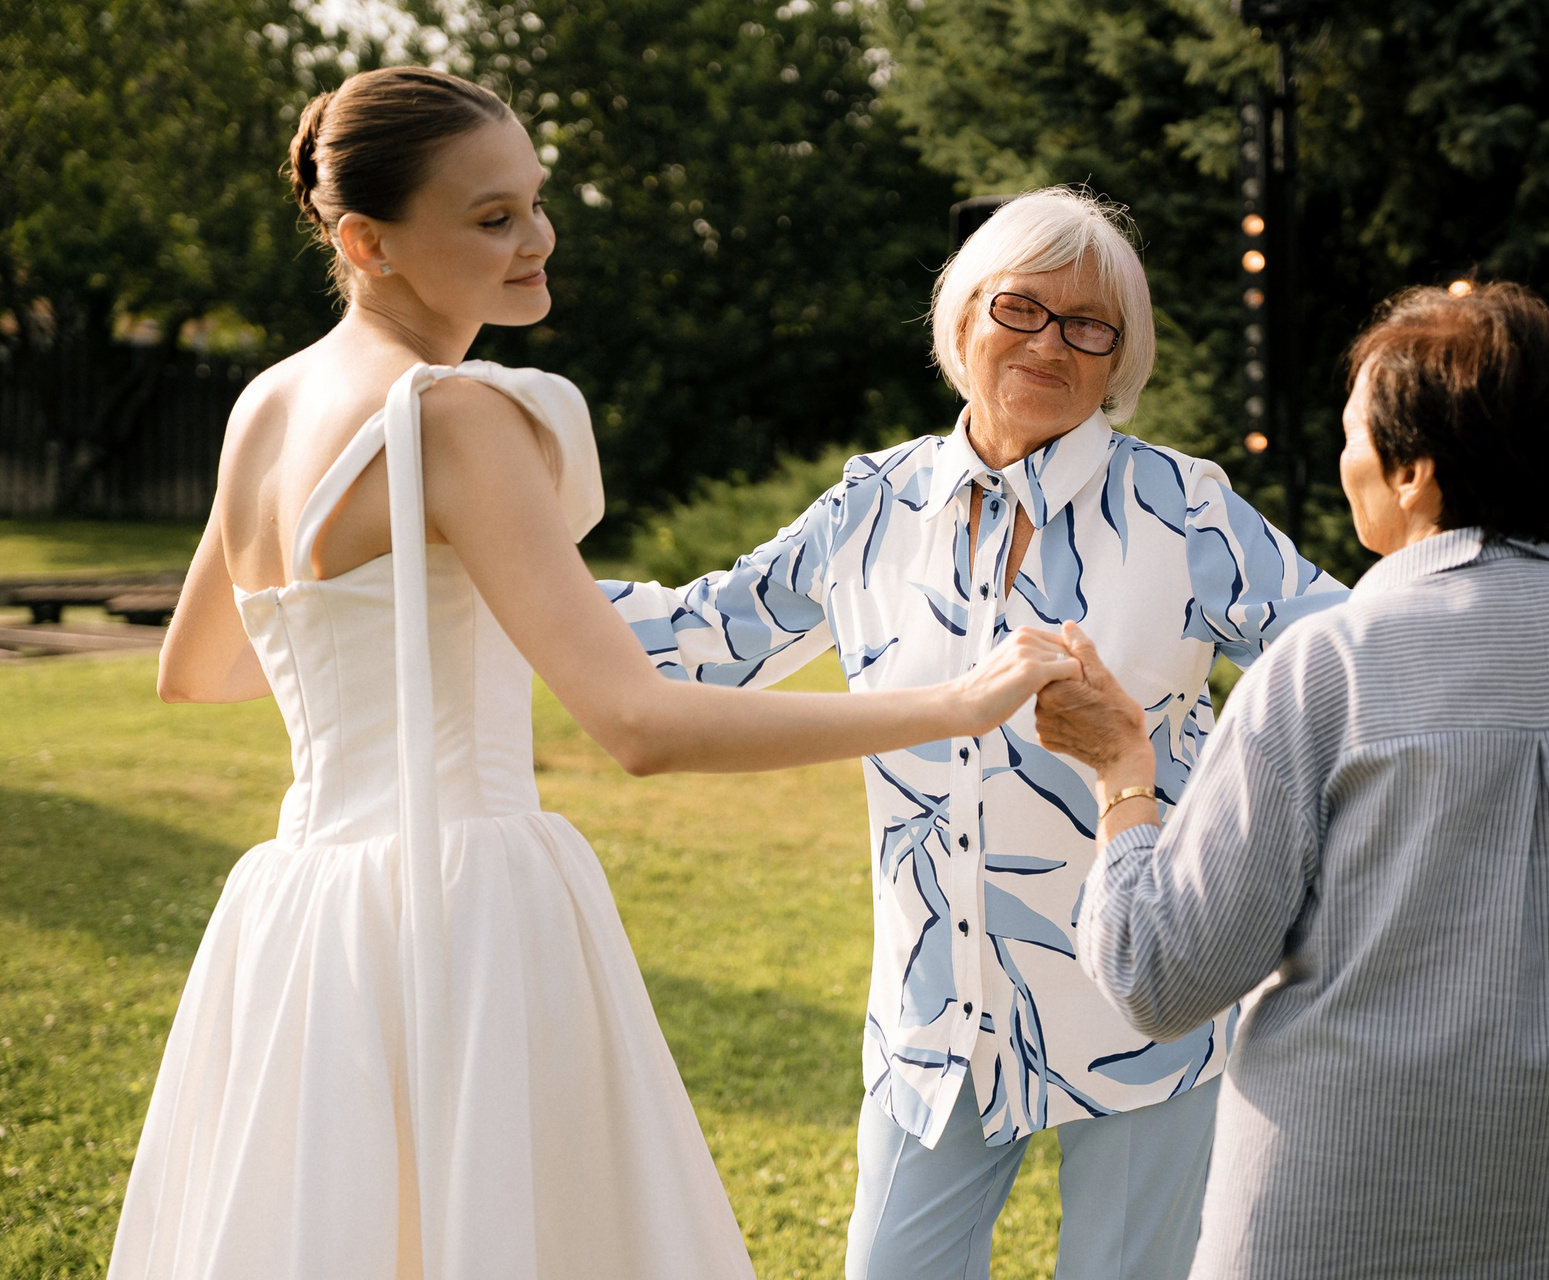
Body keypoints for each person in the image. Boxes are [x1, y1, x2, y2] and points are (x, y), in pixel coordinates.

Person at [112, 67, 1081, 1280]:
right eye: (492, 217)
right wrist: (958, 701)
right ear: (367, 241)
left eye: (535, 200)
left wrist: (380, 655)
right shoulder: (455, 416)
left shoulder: (267, 402)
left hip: (305, 907)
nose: (538, 239)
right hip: (466, 900)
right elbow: (639, 724)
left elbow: (200, 667)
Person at [600, 187, 1348, 1280]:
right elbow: (705, 637)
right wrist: (488, 566)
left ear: (1120, 357)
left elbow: (1352, 659)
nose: (1051, 343)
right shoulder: (874, 503)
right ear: (963, 314)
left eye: (1089, 326)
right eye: (1022, 308)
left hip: (1145, 1006)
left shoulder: (1185, 508)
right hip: (935, 1014)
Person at [1033, 281, 1549, 1279]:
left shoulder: (1326, 667)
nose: (1344, 458)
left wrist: (1121, 773)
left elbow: (1159, 975)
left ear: (1412, 472)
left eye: (1353, 433)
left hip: (1346, 1215)